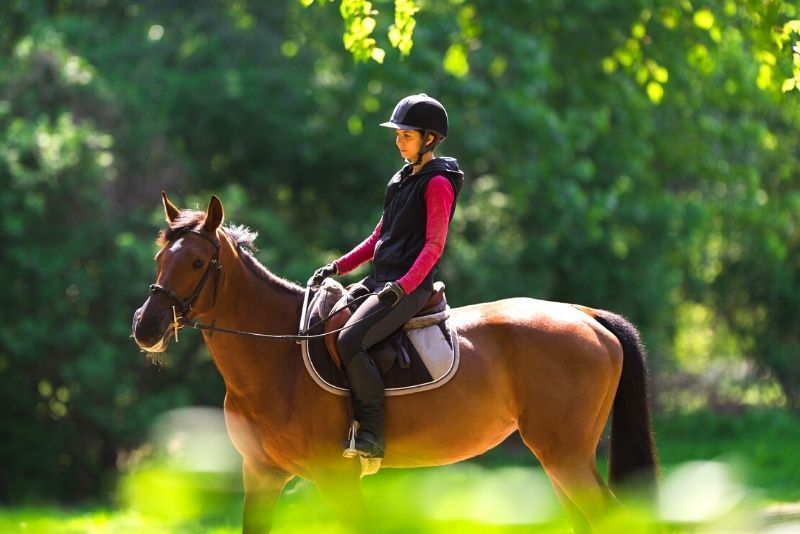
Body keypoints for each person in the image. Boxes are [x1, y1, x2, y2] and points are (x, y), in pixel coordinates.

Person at [312, 93, 464, 459]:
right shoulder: (401, 179)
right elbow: (378, 238)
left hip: (409, 287)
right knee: (326, 326)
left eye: (406, 135)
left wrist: (403, 286)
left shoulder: (438, 183)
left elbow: (434, 246)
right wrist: (338, 266)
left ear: (430, 139)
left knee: (350, 339)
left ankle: (372, 436)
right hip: (381, 281)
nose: (398, 142)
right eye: (397, 135)